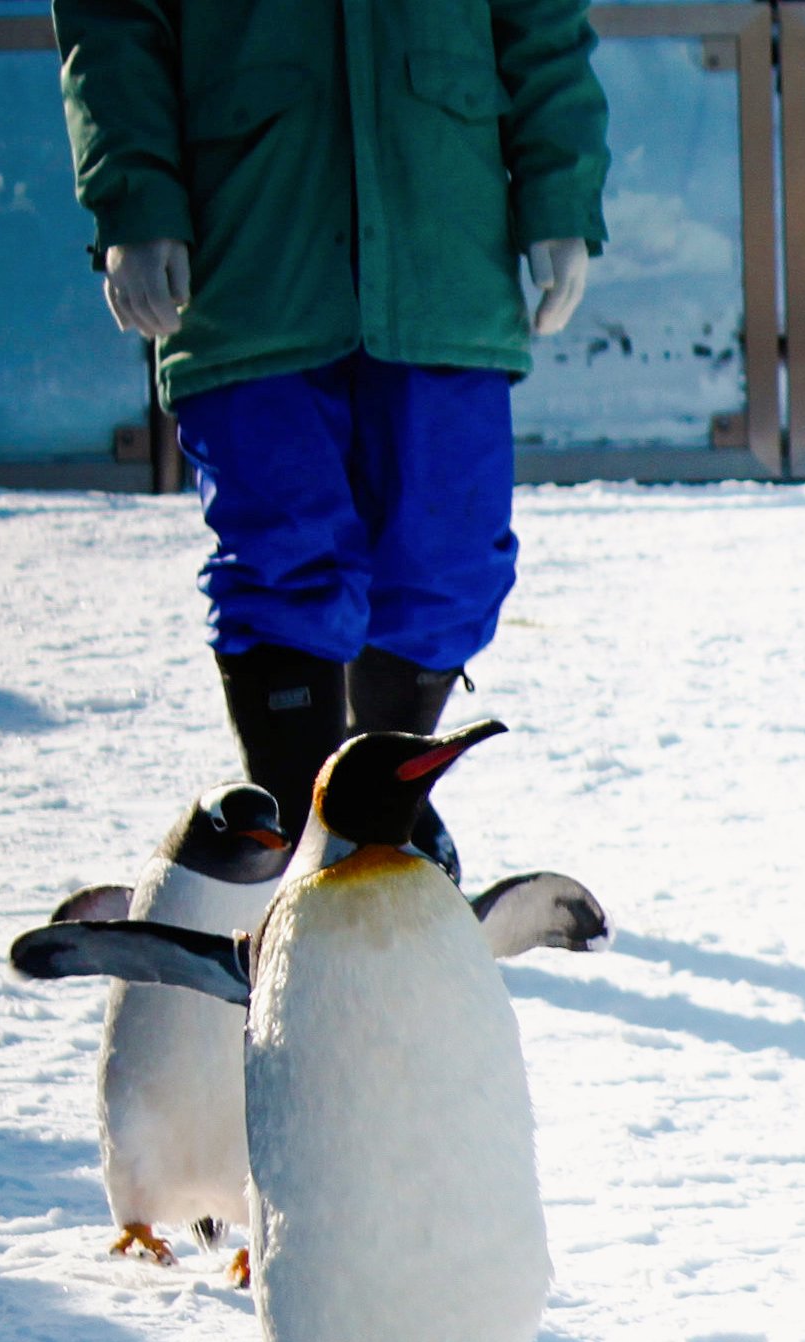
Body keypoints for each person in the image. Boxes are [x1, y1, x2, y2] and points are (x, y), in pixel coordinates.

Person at [54, 0, 608, 810]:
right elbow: (114, 20)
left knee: (448, 557)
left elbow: (543, 16)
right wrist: (133, 202)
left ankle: (382, 827)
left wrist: (559, 195)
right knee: (284, 554)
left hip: (444, 239)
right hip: (246, 235)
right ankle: (301, 851)